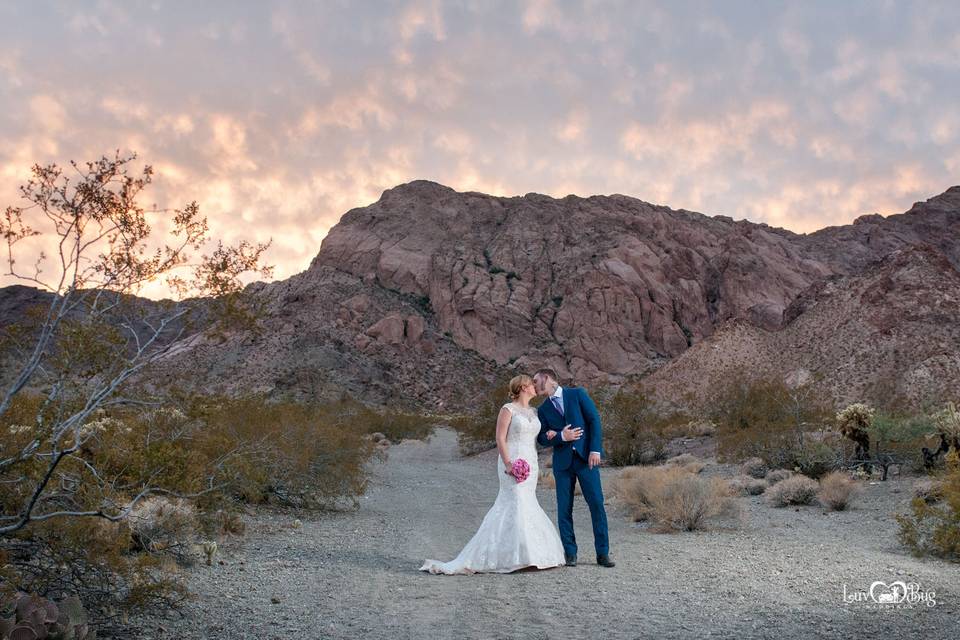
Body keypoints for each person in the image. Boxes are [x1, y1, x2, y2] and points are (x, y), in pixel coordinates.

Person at [419, 374, 566, 574]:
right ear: (523, 387)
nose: (534, 386)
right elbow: (500, 438)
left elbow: (538, 436)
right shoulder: (508, 409)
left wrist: (551, 434)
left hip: (531, 462)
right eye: (531, 384)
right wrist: (508, 463)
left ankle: (531, 555)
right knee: (515, 501)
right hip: (511, 460)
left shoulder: (534, 411)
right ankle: (512, 556)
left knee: (528, 502)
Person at [533, 368, 614, 568]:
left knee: (596, 504)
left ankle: (602, 554)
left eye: (536, 381)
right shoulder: (542, 410)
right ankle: (570, 553)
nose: (534, 385)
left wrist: (595, 450)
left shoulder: (577, 394)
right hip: (562, 465)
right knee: (564, 509)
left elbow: (594, 420)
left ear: (547, 378)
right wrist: (561, 436)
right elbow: (542, 438)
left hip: (587, 460)